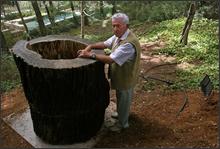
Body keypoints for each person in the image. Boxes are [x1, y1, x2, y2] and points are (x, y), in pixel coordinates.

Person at [77, 12, 141, 132]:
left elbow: (111, 60)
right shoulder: (119, 36)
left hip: (127, 77)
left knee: (124, 99)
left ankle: (123, 124)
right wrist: (91, 46)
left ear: (126, 26)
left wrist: (90, 54)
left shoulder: (128, 44)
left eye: (118, 25)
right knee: (121, 98)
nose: (115, 28)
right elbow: (105, 44)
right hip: (122, 76)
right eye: (113, 26)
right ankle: (121, 113)